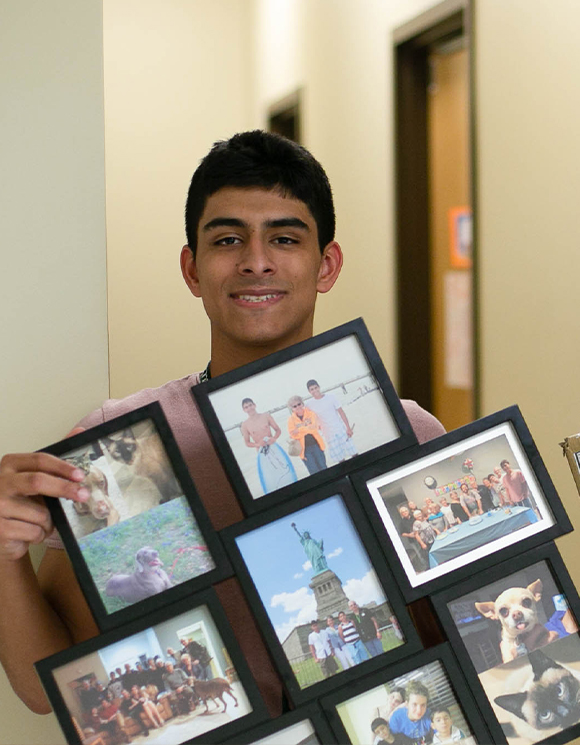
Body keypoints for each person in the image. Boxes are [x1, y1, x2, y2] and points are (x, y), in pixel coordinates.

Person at [0, 130, 446, 718]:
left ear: (327, 265)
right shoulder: (120, 441)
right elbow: (45, 690)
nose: (256, 261)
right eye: (228, 239)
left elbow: (457, 648)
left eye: (284, 238)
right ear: (191, 269)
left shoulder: (403, 431)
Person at [305, 379, 357, 464]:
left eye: (315, 388)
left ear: (319, 387)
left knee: (353, 453)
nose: (315, 390)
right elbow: (307, 420)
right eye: (312, 389)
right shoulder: (309, 405)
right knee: (340, 459)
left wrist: (348, 428)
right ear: (309, 391)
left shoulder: (331, 397)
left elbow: (341, 412)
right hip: (328, 435)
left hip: (340, 429)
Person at [286, 395, 327, 475]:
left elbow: (315, 428)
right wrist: (307, 428)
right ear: (292, 408)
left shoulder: (311, 414)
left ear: (302, 403)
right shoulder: (291, 420)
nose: (298, 407)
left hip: (317, 445)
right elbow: (293, 435)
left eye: (299, 404)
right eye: (294, 406)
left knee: (323, 468)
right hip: (304, 450)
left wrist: (299, 429)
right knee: (314, 472)